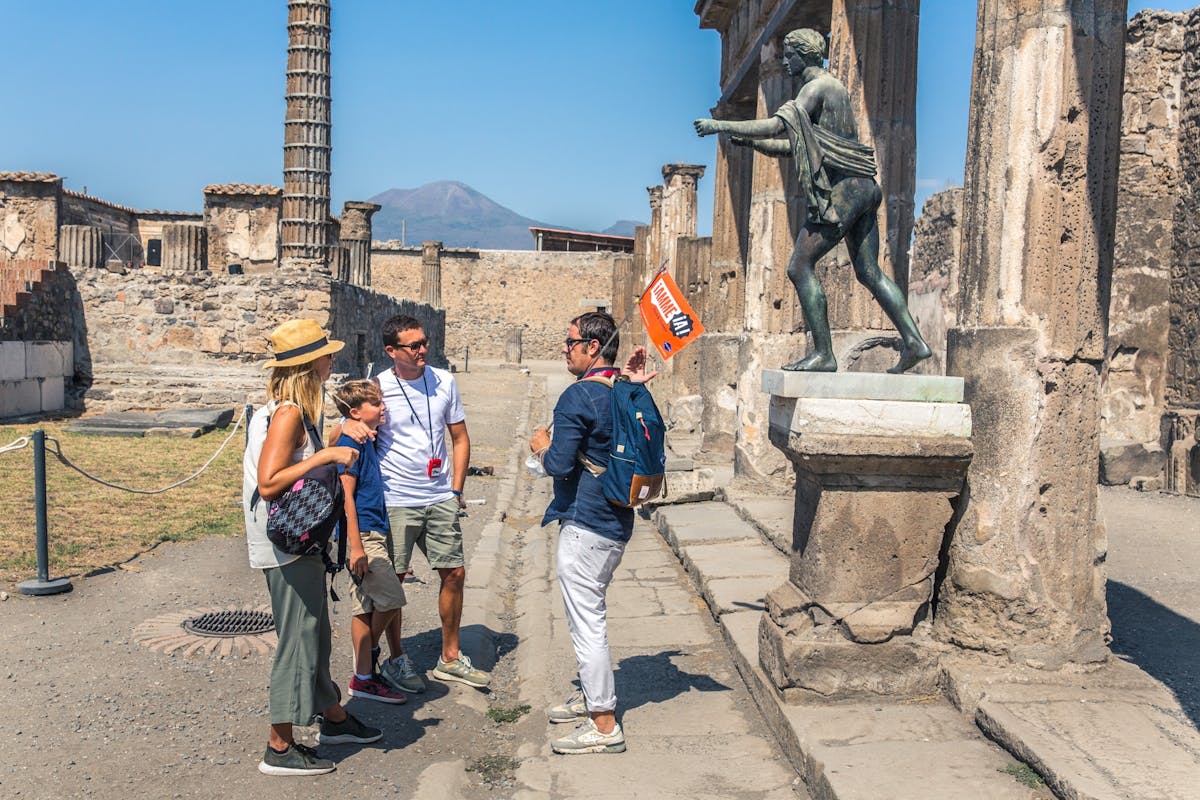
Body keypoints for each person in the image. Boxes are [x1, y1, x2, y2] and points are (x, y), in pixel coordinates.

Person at [694, 27, 931, 374]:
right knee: (869, 271)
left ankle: (824, 354)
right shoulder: (835, 91)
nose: (786, 61)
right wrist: (750, 143)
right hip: (864, 187)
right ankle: (914, 342)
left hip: (844, 192)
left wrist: (719, 125)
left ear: (805, 54)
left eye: (789, 54)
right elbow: (797, 147)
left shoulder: (816, 88)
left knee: (799, 266)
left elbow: (776, 126)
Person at [242, 319, 383, 777]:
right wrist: (329, 455)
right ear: (309, 364)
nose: (333, 360)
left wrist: (337, 439)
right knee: (299, 639)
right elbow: (268, 483)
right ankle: (279, 745)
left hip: (298, 544)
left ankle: (332, 714)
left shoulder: (294, 411)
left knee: (316, 632)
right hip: (285, 546)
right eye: (326, 354)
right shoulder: (287, 415)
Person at [339, 315, 490, 692]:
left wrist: (455, 490)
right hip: (396, 499)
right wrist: (345, 428)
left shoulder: (444, 381)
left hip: (439, 495)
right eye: (413, 346)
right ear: (392, 351)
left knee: (453, 572)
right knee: (395, 582)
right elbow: (348, 427)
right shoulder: (379, 388)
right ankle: (396, 658)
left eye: (424, 342)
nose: (423, 350)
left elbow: (460, 437)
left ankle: (450, 657)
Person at [528, 311, 655, 755]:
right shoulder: (625, 390)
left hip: (586, 522)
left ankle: (603, 723)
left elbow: (560, 464)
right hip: (618, 521)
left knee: (588, 624)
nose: (564, 348)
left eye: (570, 342)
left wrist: (541, 448)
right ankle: (589, 697)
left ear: (593, 347)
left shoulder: (578, 395)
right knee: (591, 613)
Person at [332, 379, 408, 705]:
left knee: (364, 607)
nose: (383, 407)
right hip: (363, 534)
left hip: (374, 530)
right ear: (355, 412)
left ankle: (363, 677)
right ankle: (370, 652)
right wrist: (357, 546)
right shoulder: (351, 440)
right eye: (376, 404)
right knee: (391, 598)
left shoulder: (365, 438)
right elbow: (346, 495)